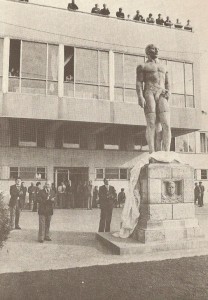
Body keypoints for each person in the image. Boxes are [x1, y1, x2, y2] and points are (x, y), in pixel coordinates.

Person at [136, 44, 171, 153]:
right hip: (149, 92)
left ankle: (167, 153)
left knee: (166, 124)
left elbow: (167, 82)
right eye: (153, 48)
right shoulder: (142, 66)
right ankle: (152, 152)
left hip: (161, 93)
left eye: (157, 48)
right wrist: (140, 96)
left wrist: (169, 92)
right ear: (147, 51)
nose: (156, 50)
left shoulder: (164, 66)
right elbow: (139, 82)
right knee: (151, 123)